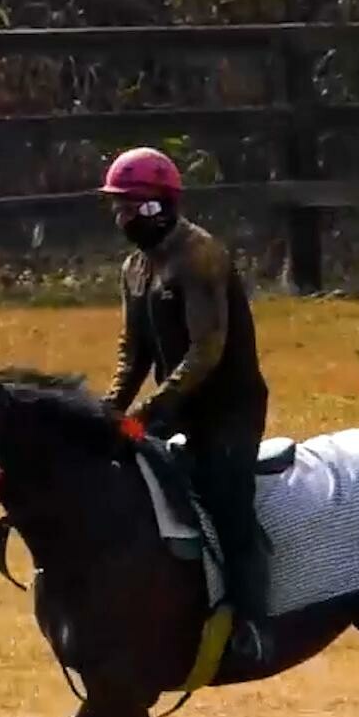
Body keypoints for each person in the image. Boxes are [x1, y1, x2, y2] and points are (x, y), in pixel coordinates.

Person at [97, 146, 273, 626]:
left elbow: (206, 351)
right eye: (119, 207)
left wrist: (150, 411)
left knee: (226, 499)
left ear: (163, 205)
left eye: (135, 206)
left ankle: (252, 620)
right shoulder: (135, 269)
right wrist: (109, 411)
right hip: (176, 408)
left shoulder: (200, 257)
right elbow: (132, 354)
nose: (125, 217)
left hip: (227, 410)